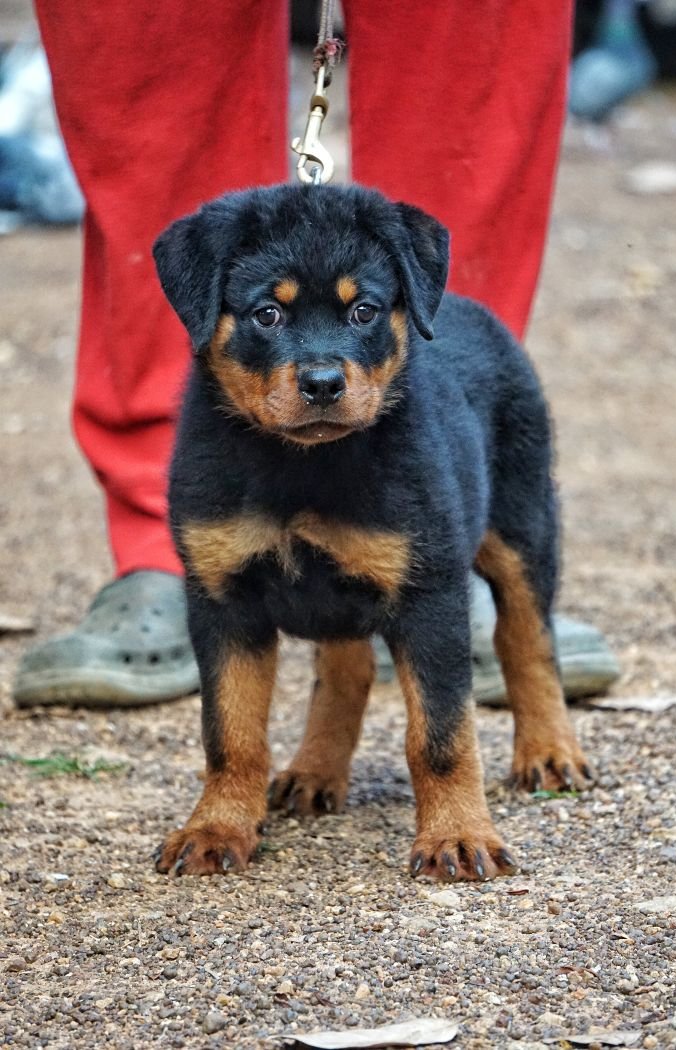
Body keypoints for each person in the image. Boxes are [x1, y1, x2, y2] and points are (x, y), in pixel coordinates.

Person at [14, 0, 619, 708]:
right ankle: (160, 540)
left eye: (364, 311)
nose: (321, 367)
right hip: (222, 445)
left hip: (412, 438)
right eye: (268, 313)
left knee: (470, 37)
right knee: (151, 39)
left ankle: (441, 549)